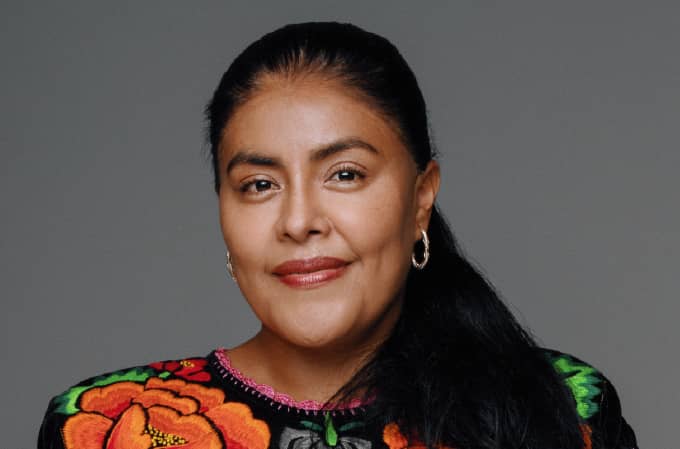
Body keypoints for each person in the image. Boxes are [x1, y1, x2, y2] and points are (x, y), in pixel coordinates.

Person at [38, 22, 638, 449]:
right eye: (258, 184)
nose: (299, 220)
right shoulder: (104, 427)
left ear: (421, 198)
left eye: (344, 174)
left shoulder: (564, 409)